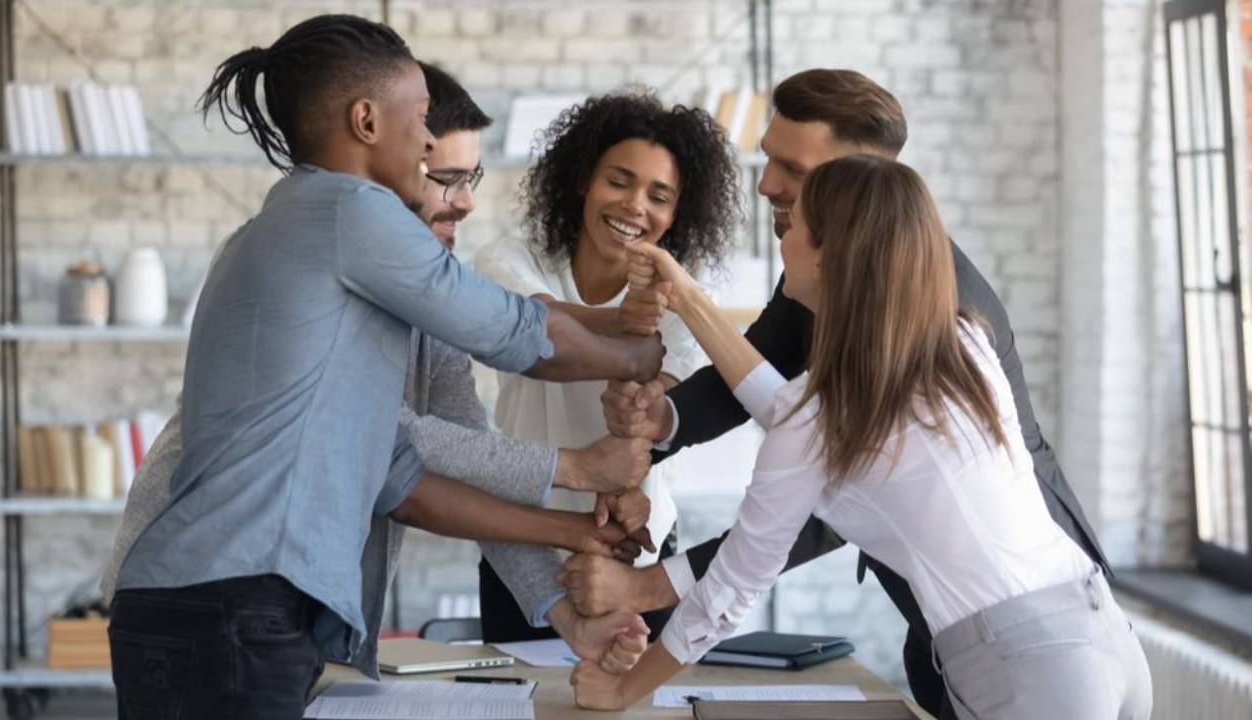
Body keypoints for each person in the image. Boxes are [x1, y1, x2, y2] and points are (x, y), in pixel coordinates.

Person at [107, 16, 661, 719]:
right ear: (367, 121)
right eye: (430, 141)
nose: (438, 163)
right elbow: (516, 334)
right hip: (231, 602)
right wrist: (642, 351)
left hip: (216, 608)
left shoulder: (330, 250)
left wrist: (567, 587)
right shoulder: (348, 212)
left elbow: (406, 478)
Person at [574, 69, 1112, 719]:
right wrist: (664, 412)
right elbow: (782, 393)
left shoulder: (945, 312)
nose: (767, 185)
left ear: (856, 187)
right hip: (1062, 632)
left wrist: (649, 598)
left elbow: (816, 491)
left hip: (1019, 641)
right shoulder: (910, 308)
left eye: (793, 173)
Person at [474, 91, 742, 642]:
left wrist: (634, 443)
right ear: (582, 181)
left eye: (659, 196)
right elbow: (535, 327)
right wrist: (622, 325)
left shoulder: (682, 300)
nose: (634, 206)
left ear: (677, 214)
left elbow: (657, 414)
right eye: (618, 181)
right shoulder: (511, 260)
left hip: (633, 545)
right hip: (520, 545)